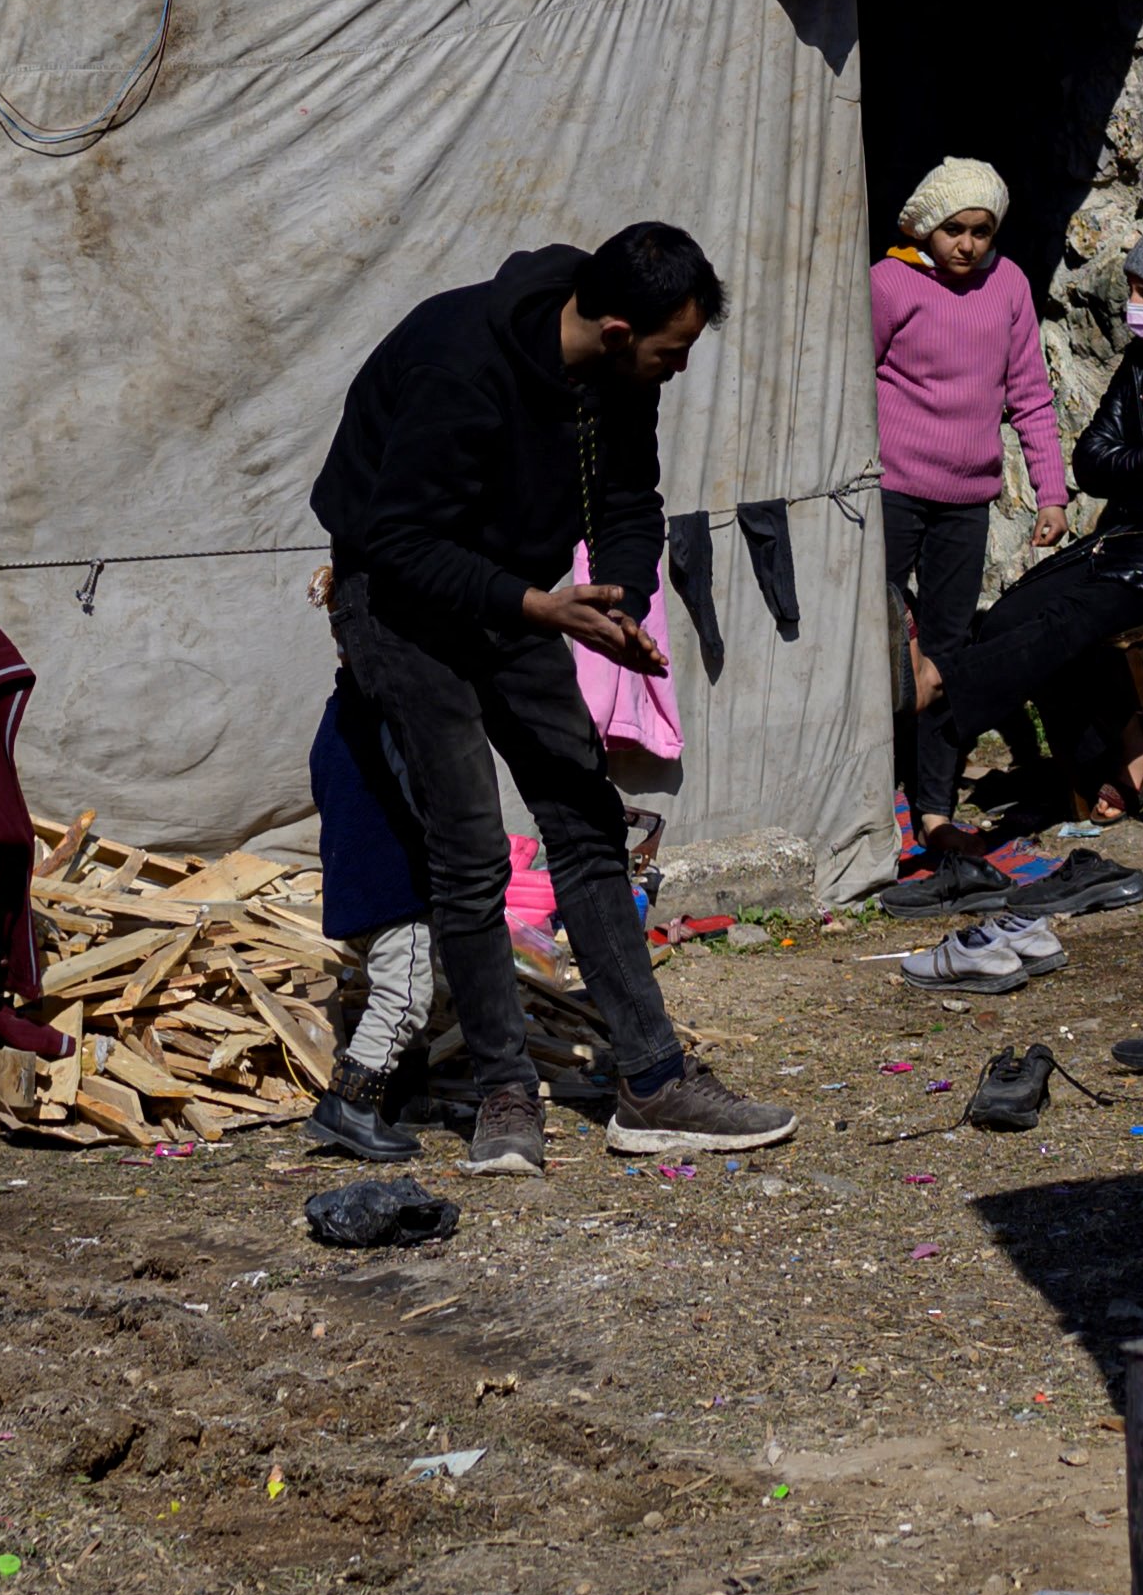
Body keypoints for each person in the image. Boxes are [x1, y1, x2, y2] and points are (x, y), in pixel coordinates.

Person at [306, 219, 797, 1170]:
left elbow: (627, 500)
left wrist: (618, 598)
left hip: (521, 595)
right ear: (618, 331)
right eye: (674, 351)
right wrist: (538, 605)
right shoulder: (458, 364)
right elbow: (401, 546)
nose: (679, 368)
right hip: (398, 601)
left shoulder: (619, 379)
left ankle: (654, 1080)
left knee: (581, 814)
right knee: (471, 846)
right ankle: (504, 1092)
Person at [890, 216, 1143, 996]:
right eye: (1136, 290)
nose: (1139, 305)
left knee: (1074, 621)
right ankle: (1104, 748)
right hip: (1126, 536)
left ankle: (945, 694)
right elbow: (1093, 462)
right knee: (1015, 614)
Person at [870, 156, 1066, 665]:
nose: (967, 244)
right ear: (927, 226)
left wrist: (1052, 494)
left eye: (981, 231)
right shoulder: (889, 282)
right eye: (953, 228)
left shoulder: (1008, 284)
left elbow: (1030, 394)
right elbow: (850, 384)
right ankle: (881, 746)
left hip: (965, 499)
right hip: (892, 490)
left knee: (948, 643)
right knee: (872, 625)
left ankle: (936, 747)